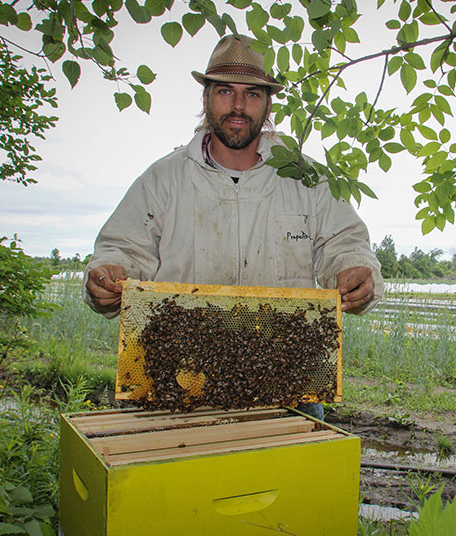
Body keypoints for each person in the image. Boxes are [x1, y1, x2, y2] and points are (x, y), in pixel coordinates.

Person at [83, 34, 384, 420]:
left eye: (253, 93)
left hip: (288, 393)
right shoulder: (164, 179)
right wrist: (107, 277)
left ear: (268, 102)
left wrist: (357, 271)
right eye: (225, 91)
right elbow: (120, 250)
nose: (239, 105)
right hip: (177, 385)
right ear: (206, 97)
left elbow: (347, 244)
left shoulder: (307, 178)